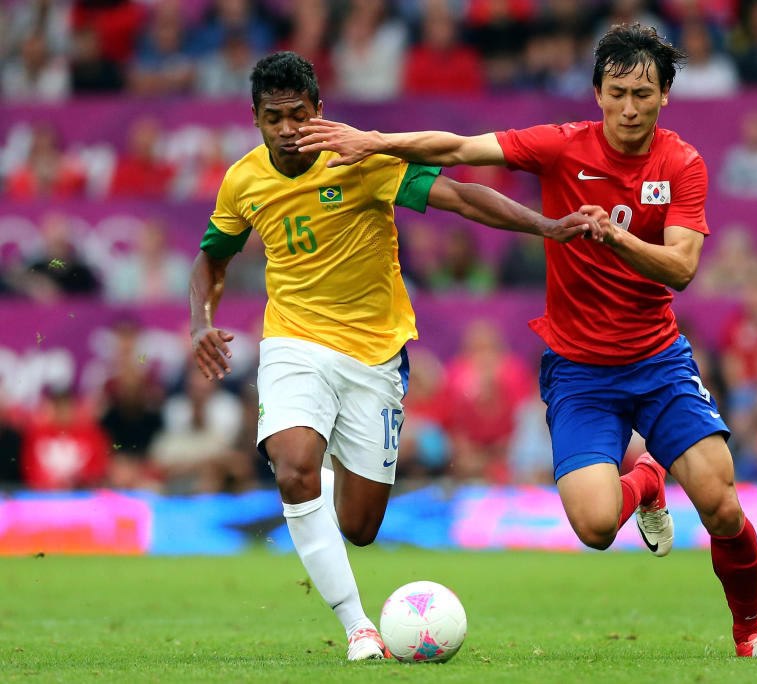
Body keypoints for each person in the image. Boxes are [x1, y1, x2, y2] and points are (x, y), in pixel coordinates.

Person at [296, 23, 757, 658]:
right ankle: (646, 479)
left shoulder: (681, 163)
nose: (630, 107)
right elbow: (456, 148)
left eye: (644, 93)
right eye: (617, 91)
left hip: (658, 359)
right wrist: (374, 141)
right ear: (597, 92)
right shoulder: (562, 147)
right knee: (592, 527)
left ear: (665, 95)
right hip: (581, 370)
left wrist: (617, 238)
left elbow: (682, 267)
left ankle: (751, 635)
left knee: (722, 506)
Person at [189, 51, 599, 662]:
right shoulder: (243, 181)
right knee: (295, 464)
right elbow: (211, 259)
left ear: (318, 111)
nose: (287, 129)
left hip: (375, 356)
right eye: (273, 118)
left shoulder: (358, 159)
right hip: (293, 341)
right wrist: (201, 322)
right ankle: (358, 628)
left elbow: (458, 197)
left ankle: (313, 496)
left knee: (359, 526)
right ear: (255, 119)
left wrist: (547, 226)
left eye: (297, 115)